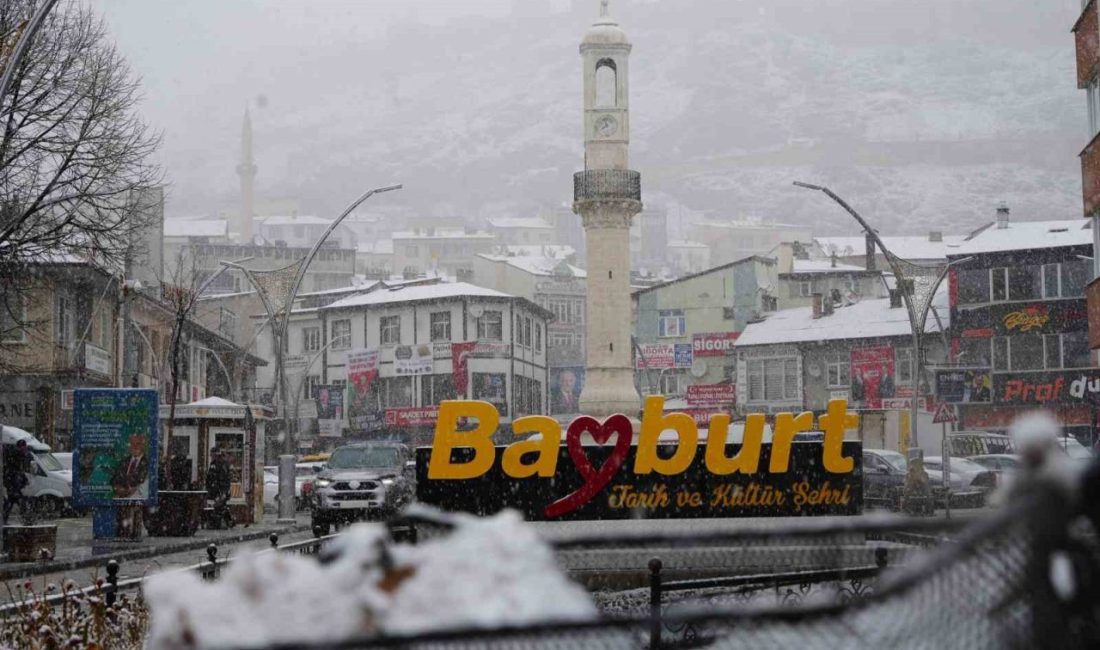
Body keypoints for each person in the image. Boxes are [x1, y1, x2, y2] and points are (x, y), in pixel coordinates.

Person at [112, 434, 149, 539]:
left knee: (134, 514)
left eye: (138, 444)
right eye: (132, 444)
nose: (135, 447)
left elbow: (140, 480)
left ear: (143, 445)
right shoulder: (124, 461)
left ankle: (132, 534)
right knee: (122, 516)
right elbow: (115, 479)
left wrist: (129, 490)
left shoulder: (147, 463)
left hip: (137, 498)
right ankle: (122, 534)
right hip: (122, 498)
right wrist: (118, 488)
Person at [3, 440, 31, 524]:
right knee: (18, 502)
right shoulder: (16, 453)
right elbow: (17, 470)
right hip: (13, 483)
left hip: (13, 483)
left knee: (11, 503)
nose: (25, 448)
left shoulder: (15, 455)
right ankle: (27, 520)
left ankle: (4, 520)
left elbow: (19, 470)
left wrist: (24, 480)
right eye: (24, 446)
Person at [206, 449, 233, 529]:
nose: (211, 456)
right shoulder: (215, 464)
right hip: (215, 490)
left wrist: (223, 492)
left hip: (220, 490)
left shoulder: (222, 464)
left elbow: (224, 479)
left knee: (220, 506)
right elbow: (210, 477)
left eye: (212, 455)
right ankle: (227, 521)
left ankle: (222, 522)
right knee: (220, 506)